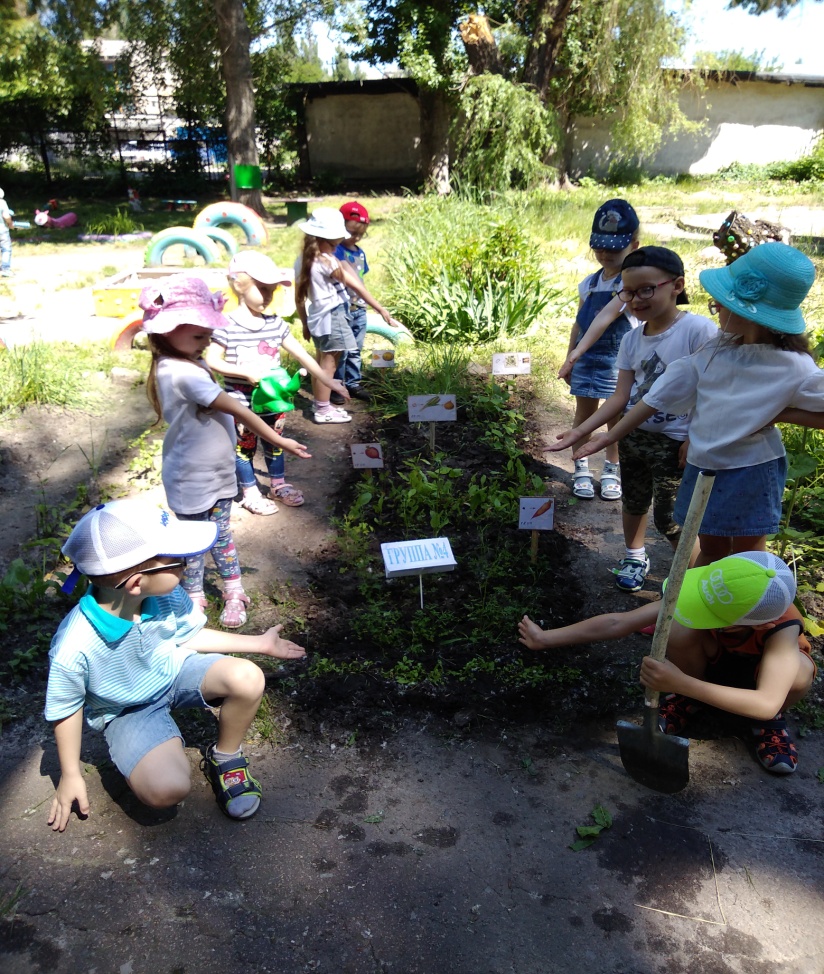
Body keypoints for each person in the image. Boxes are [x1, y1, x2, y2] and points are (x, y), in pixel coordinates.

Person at [45, 498, 307, 831]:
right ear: (137, 583)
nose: (188, 564)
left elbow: (188, 636)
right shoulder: (74, 646)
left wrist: (260, 645)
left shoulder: (162, 593)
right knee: (167, 789)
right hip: (127, 709)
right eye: (179, 560)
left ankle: (225, 756)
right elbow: (65, 709)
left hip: (174, 671)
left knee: (247, 677)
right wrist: (69, 774)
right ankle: (152, 745)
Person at [574, 242, 824, 566]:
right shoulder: (717, 349)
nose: (715, 307)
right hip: (704, 464)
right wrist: (609, 436)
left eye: (719, 302)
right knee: (710, 545)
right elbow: (660, 393)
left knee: (748, 552)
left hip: (750, 469)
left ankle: (742, 612)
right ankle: (700, 604)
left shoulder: (792, 366)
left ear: (751, 313)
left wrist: (783, 412)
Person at [518, 551, 814, 774]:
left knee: (800, 673)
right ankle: (688, 700)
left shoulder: (782, 629)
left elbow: (766, 701)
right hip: (710, 667)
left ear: (743, 623)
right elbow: (618, 623)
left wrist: (679, 682)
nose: (699, 605)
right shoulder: (715, 590)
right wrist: (545, 638)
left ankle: (766, 726)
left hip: (757, 686)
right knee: (676, 625)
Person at [140, 274, 311, 627]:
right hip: (192, 477)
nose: (208, 342)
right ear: (167, 331)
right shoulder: (180, 371)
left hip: (216, 471)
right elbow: (238, 409)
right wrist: (278, 441)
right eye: (200, 335)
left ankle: (234, 588)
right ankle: (195, 595)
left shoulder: (190, 359)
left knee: (220, 533)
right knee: (193, 540)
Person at [549, 247, 717, 592]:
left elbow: (714, 390)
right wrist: (580, 432)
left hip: (678, 442)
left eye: (646, 289)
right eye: (627, 292)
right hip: (635, 436)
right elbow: (620, 397)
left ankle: (694, 582)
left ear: (677, 285)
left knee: (671, 518)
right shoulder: (630, 339)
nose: (635, 300)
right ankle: (634, 555)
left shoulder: (699, 331)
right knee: (634, 500)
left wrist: (695, 437)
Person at [203, 251, 349, 515]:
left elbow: (303, 355)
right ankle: (250, 491)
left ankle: (278, 485)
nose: (268, 296)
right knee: (245, 446)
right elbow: (212, 360)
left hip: (274, 398)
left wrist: (330, 381)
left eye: (271, 290)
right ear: (239, 285)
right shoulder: (226, 325)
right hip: (241, 401)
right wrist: (243, 372)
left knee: (276, 441)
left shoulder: (275, 324)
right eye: (262, 289)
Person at [558, 199, 642, 501]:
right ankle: (580, 465)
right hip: (587, 358)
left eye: (614, 248)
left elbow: (610, 316)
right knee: (583, 413)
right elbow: (580, 324)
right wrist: (570, 356)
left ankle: (611, 467)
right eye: (599, 247)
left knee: (616, 416)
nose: (605, 254)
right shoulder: (589, 284)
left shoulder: (630, 284)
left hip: (620, 362)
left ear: (634, 244)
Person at [294, 207, 394, 424]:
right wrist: (380, 308)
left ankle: (322, 403)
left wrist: (304, 323)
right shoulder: (326, 260)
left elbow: (299, 297)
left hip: (317, 315)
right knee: (329, 364)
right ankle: (322, 410)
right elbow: (355, 284)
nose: (336, 247)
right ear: (320, 238)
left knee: (321, 361)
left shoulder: (302, 260)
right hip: (334, 315)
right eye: (334, 243)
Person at [331, 200, 373, 405]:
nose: (355, 238)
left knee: (356, 347)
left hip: (360, 308)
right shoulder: (336, 251)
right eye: (350, 233)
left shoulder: (360, 252)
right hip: (342, 306)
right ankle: (337, 384)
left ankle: (354, 382)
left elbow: (361, 278)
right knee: (342, 349)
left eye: (359, 234)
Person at [0, 188, 14, 277]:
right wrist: (10, 224)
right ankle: (5, 269)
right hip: (2, 230)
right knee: (6, 249)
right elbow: (6, 216)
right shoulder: (2, 202)